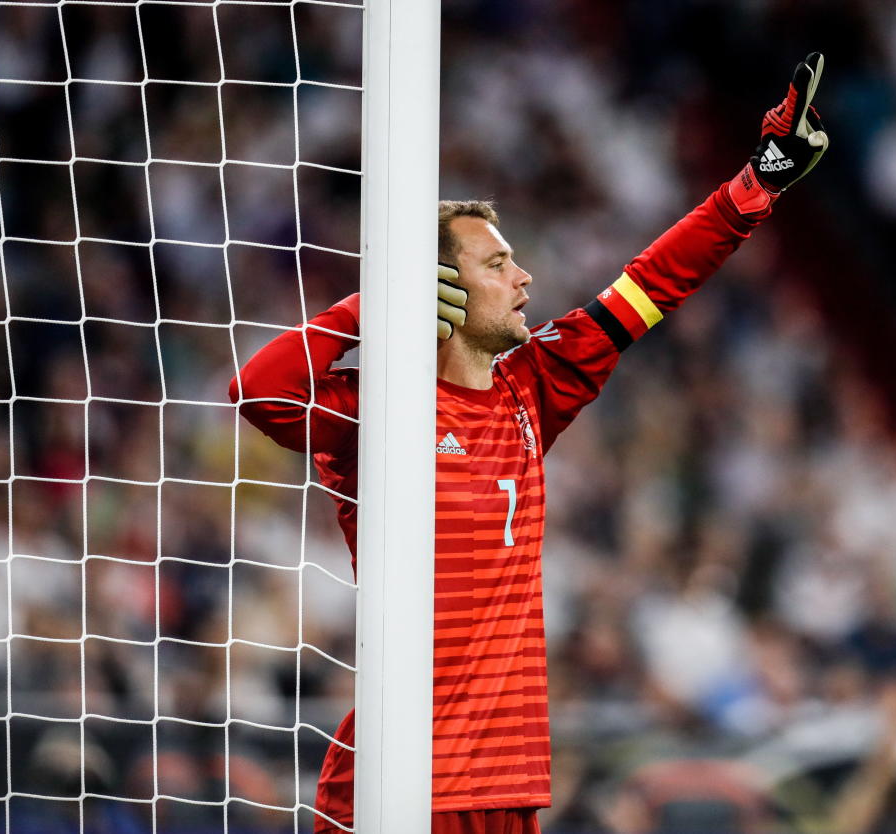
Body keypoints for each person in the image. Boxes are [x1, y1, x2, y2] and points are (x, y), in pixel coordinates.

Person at [230, 55, 829, 834]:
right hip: (399, 779)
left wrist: (757, 184)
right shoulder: (378, 411)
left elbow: (655, 281)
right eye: (497, 261)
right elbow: (257, 391)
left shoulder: (535, 384)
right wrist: (370, 304)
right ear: (438, 284)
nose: (525, 276)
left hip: (507, 780)